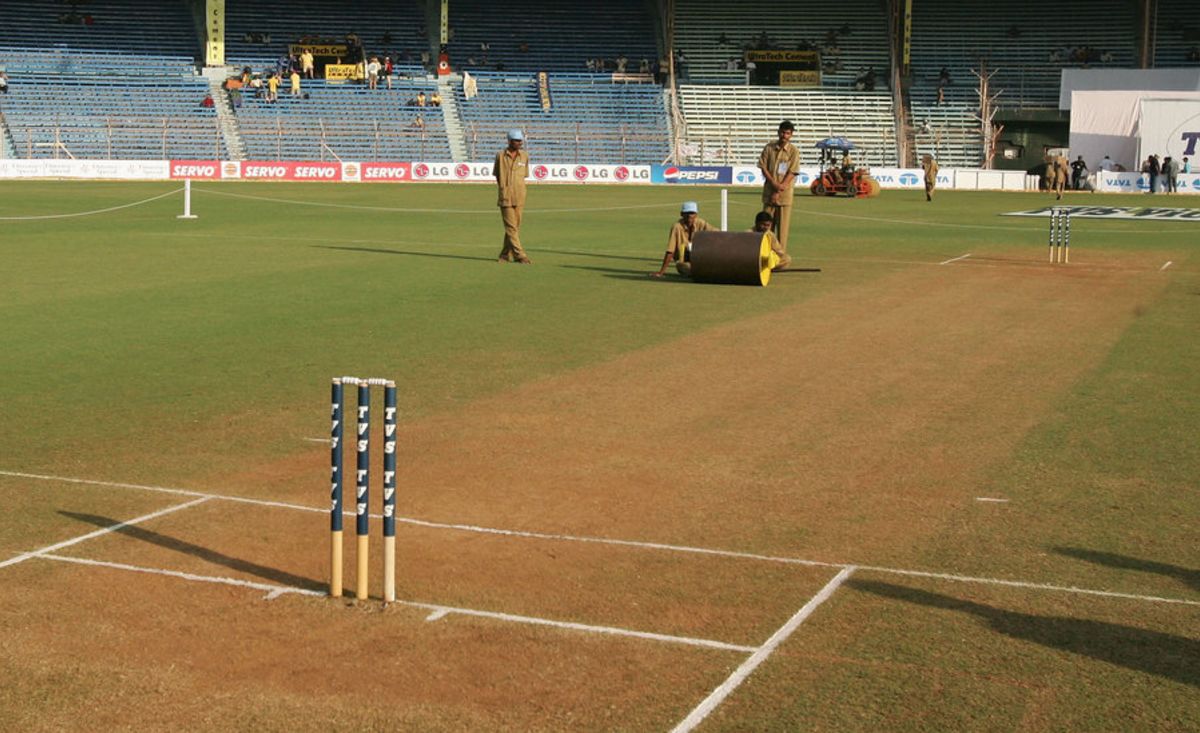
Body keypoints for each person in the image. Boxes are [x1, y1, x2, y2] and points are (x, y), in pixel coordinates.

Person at [758, 120, 801, 256]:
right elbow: (763, 167)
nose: (784, 135)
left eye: (788, 133)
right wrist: (774, 184)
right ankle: (763, 254)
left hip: (784, 196)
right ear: (778, 132)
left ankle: (780, 257)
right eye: (782, 132)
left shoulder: (793, 151)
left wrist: (780, 188)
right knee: (764, 226)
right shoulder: (769, 148)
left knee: (782, 231)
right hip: (769, 194)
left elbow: (792, 172)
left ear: (791, 135)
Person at [495, 130, 532, 264]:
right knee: (511, 227)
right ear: (509, 141)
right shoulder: (500, 156)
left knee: (514, 227)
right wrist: (504, 189)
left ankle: (505, 254)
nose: (520, 143)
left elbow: (524, 175)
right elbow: (498, 175)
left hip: (520, 195)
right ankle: (520, 255)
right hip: (505, 196)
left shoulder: (525, 156)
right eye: (517, 140)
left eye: (521, 140)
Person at [651, 202, 714, 278]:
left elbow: (716, 233)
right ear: (681, 214)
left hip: (699, 258)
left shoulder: (701, 223)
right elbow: (670, 251)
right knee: (686, 268)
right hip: (684, 261)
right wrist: (661, 272)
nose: (689, 216)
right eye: (686, 213)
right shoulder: (677, 227)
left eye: (692, 213)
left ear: (696, 214)